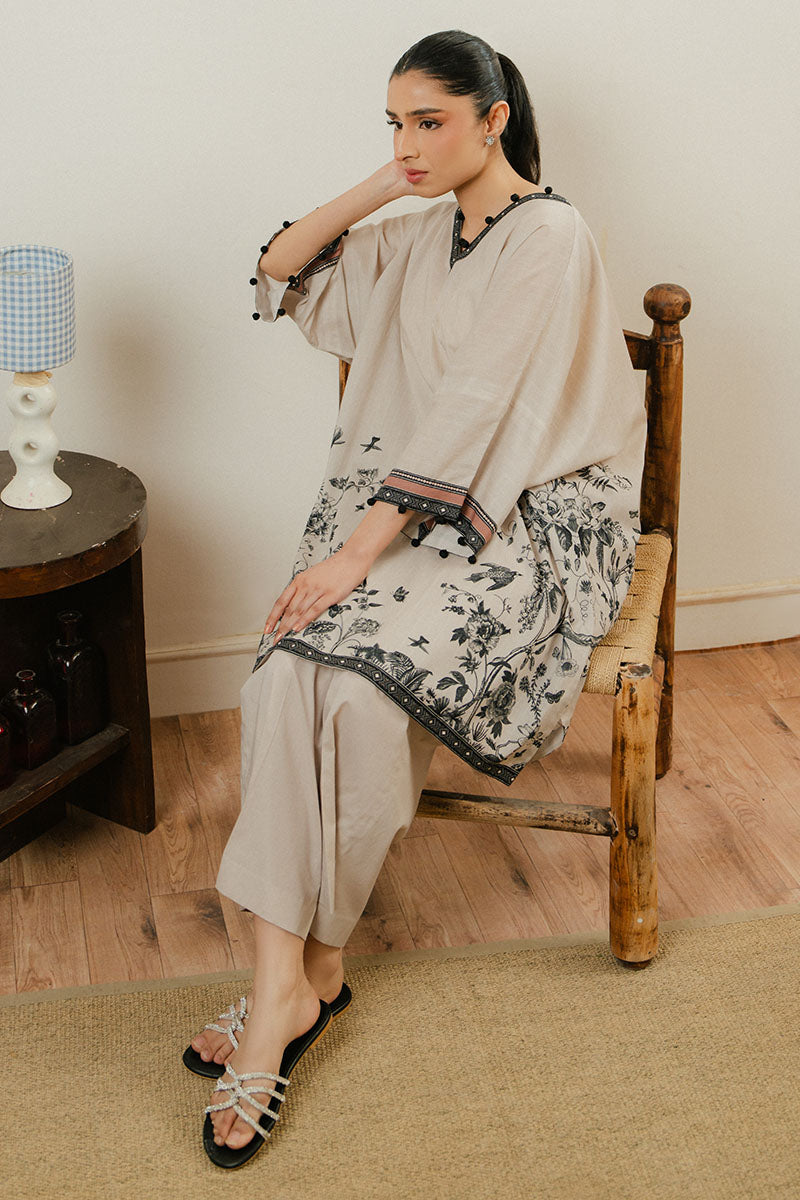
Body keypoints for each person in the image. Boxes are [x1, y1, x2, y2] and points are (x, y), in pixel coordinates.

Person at [189, 29, 647, 1166]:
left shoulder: (551, 235)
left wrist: (353, 557)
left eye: (430, 121)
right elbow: (281, 270)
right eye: (394, 123)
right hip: (404, 511)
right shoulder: (414, 231)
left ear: (495, 119)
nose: (409, 142)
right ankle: (293, 980)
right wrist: (386, 181)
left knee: (352, 690)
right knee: (289, 679)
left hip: (531, 523)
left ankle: (297, 985)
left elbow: (478, 407)